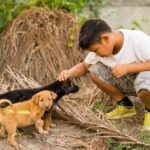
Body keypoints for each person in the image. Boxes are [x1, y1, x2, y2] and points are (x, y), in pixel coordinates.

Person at [58, 19, 150, 131]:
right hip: (133, 85)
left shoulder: (137, 39)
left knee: (145, 78)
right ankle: (125, 106)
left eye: (96, 50)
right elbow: (84, 67)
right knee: (94, 70)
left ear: (106, 38)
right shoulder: (99, 51)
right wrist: (69, 73)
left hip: (146, 84)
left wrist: (128, 67)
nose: (96, 54)